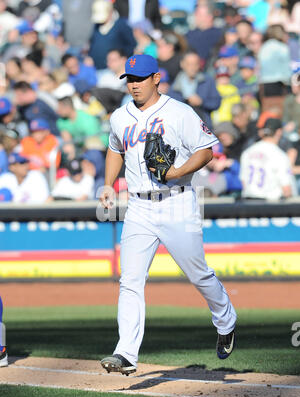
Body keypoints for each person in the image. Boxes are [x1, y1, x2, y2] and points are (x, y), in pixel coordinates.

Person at [99, 54, 237, 376]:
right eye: (129, 79)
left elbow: (206, 150)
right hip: (139, 207)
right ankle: (126, 353)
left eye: (140, 78)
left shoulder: (179, 112)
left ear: (156, 78)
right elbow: (115, 148)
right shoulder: (120, 117)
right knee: (130, 280)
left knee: (198, 274)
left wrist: (176, 172)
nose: (134, 85)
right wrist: (108, 184)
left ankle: (226, 318)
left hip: (177, 201)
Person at [240, 117, 297, 200]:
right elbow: (286, 189)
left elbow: (243, 182)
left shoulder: (247, 152)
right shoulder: (280, 155)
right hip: (269, 206)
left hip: (247, 203)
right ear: (279, 132)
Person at [171, 50, 221, 129]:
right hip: (183, 128)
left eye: (195, 64)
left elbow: (216, 103)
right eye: (189, 64)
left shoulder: (207, 81)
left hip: (204, 128)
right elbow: (171, 107)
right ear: (182, 64)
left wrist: (202, 102)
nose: (193, 68)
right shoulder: (175, 85)